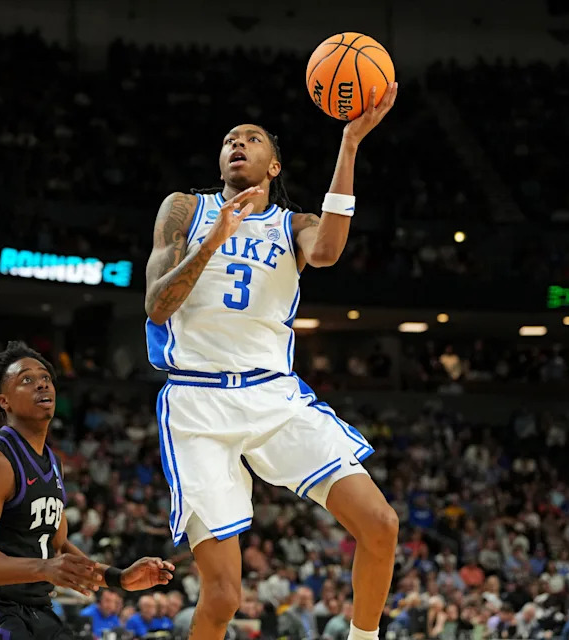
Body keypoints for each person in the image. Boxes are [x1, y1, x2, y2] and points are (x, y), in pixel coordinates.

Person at [143, 83, 399, 640]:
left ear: (272, 163)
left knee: (380, 524)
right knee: (223, 596)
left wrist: (350, 144)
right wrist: (211, 243)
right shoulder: (185, 209)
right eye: (230, 139)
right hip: (198, 404)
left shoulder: (293, 224)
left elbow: (328, 252)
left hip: (274, 396)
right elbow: (156, 305)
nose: (237, 143)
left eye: (251, 138)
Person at [0, 341, 176, 640]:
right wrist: (43, 568)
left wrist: (119, 578)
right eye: (26, 379)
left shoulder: (53, 463)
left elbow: (59, 548)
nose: (41, 384)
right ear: (4, 401)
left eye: (45, 378)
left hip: (34, 608)